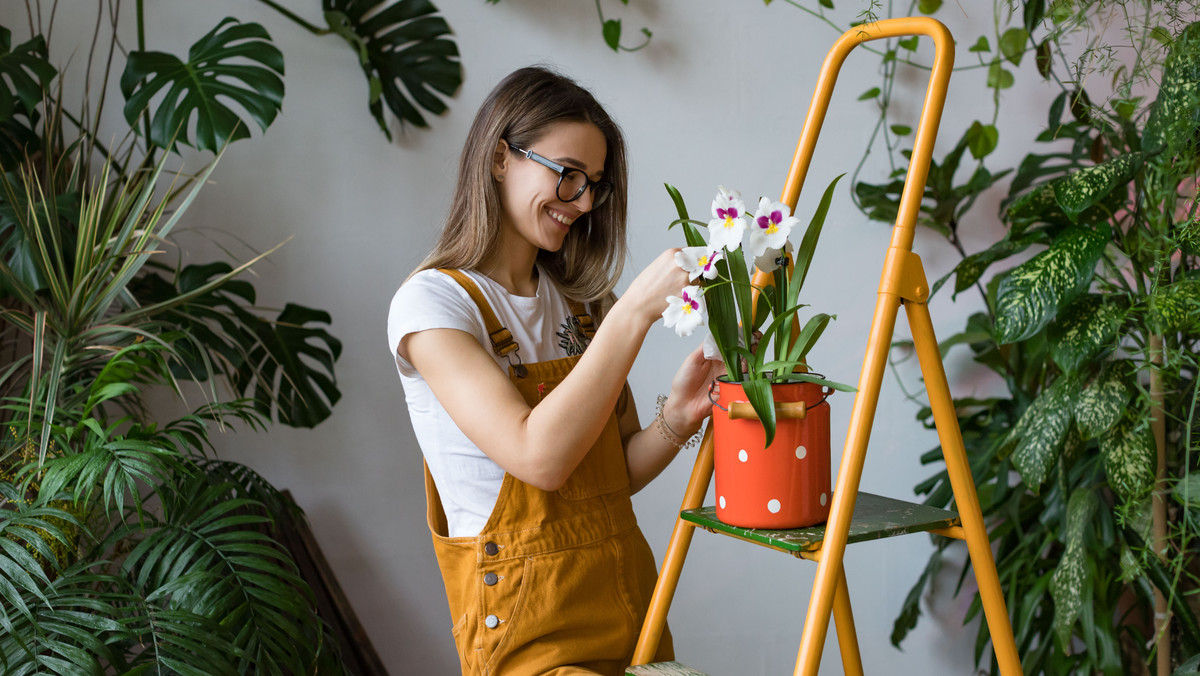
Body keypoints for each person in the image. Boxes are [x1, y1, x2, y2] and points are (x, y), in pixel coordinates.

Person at [387, 66, 721, 676]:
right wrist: (635, 316)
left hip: (627, 607)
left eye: (594, 184)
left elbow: (609, 475)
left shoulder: (586, 303)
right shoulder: (434, 305)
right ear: (498, 158)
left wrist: (676, 418)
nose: (584, 201)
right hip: (526, 632)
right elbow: (539, 459)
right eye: (567, 174)